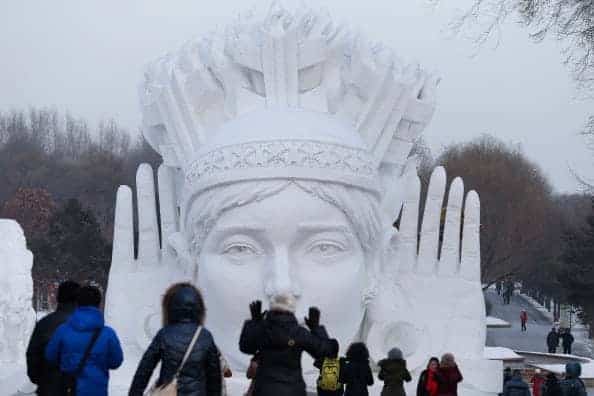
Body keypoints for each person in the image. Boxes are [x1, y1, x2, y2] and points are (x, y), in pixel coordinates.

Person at [129, 283, 222, 396]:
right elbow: (215, 379)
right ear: (199, 309)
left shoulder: (164, 334)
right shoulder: (205, 336)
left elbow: (143, 372)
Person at [239, 295, 337, 396]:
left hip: (264, 389)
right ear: (292, 310)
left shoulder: (262, 330)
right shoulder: (299, 333)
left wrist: (254, 322)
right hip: (293, 390)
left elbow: (245, 347)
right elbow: (327, 352)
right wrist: (316, 328)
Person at [45, 285, 123, 396]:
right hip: (97, 391)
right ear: (99, 304)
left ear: (77, 303)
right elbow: (116, 362)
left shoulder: (62, 330)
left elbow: (50, 356)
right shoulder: (108, 334)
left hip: (69, 389)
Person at [26, 280, 80, 396]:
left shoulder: (44, 324)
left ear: (58, 298)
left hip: (49, 388)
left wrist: (40, 379)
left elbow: (32, 355)